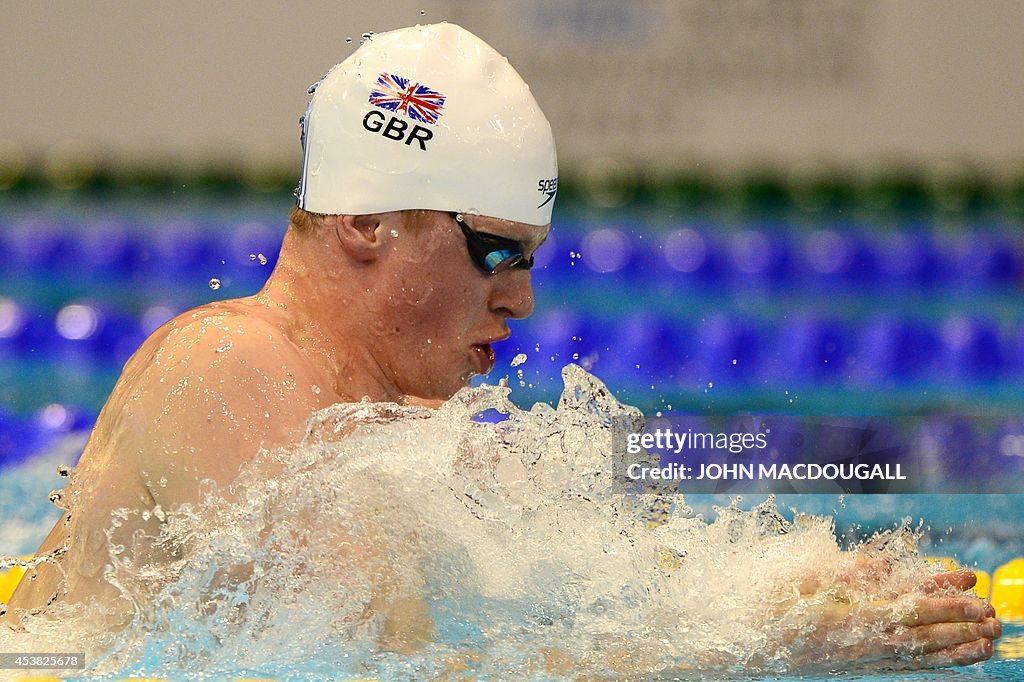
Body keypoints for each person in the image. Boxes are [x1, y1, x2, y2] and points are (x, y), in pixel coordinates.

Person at [1, 22, 1001, 672]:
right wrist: (766, 648)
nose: (519, 299)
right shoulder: (228, 366)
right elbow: (387, 663)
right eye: (492, 252)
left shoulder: (416, 431)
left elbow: (620, 581)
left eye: (526, 260)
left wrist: (807, 586)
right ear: (369, 220)